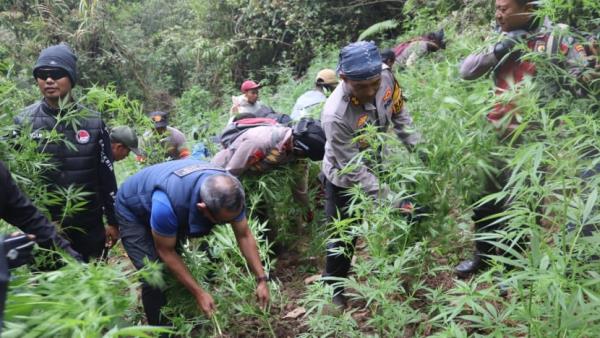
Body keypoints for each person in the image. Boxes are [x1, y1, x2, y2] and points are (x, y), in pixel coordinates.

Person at [455, 0, 592, 276]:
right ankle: (484, 255)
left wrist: (583, 74)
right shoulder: (498, 35)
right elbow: (467, 70)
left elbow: (583, 77)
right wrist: (498, 50)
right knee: (484, 199)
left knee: (524, 203)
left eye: (504, 8)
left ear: (528, 7)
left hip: (534, 137)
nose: (498, 13)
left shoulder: (559, 36)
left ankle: (515, 268)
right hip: (495, 130)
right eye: (496, 7)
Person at [321, 41, 421, 307]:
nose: (370, 91)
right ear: (343, 78)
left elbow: (399, 112)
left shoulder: (386, 76)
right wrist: (394, 200)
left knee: (407, 215)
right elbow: (354, 170)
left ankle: (396, 270)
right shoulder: (335, 115)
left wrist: (420, 150)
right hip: (344, 178)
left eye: (374, 84)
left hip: (378, 161)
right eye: (361, 86)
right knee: (343, 234)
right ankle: (334, 290)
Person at [115, 159, 269, 326]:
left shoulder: (230, 192)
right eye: (222, 222)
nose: (228, 224)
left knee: (175, 270)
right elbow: (166, 251)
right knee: (153, 274)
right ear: (203, 208)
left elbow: (244, 234)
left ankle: (182, 316)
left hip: (166, 199)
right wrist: (199, 293)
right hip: (132, 208)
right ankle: (162, 330)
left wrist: (261, 279)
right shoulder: (166, 206)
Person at [14, 43, 119, 261]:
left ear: (71, 78)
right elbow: (15, 180)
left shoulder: (93, 122)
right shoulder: (22, 122)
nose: (49, 80)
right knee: (48, 289)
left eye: (57, 74)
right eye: (42, 74)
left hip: (87, 226)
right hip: (44, 227)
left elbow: (106, 176)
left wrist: (113, 221)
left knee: (90, 283)